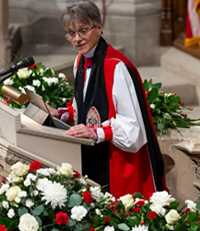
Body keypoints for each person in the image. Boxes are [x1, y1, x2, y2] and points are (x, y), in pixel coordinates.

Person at [56, 1, 168, 198]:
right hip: (91, 158)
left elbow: (132, 129)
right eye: (71, 33)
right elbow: (88, 107)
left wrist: (96, 132)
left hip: (118, 163)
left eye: (83, 31)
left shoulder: (116, 68)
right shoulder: (80, 62)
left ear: (99, 27)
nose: (77, 39)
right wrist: (63, 114)